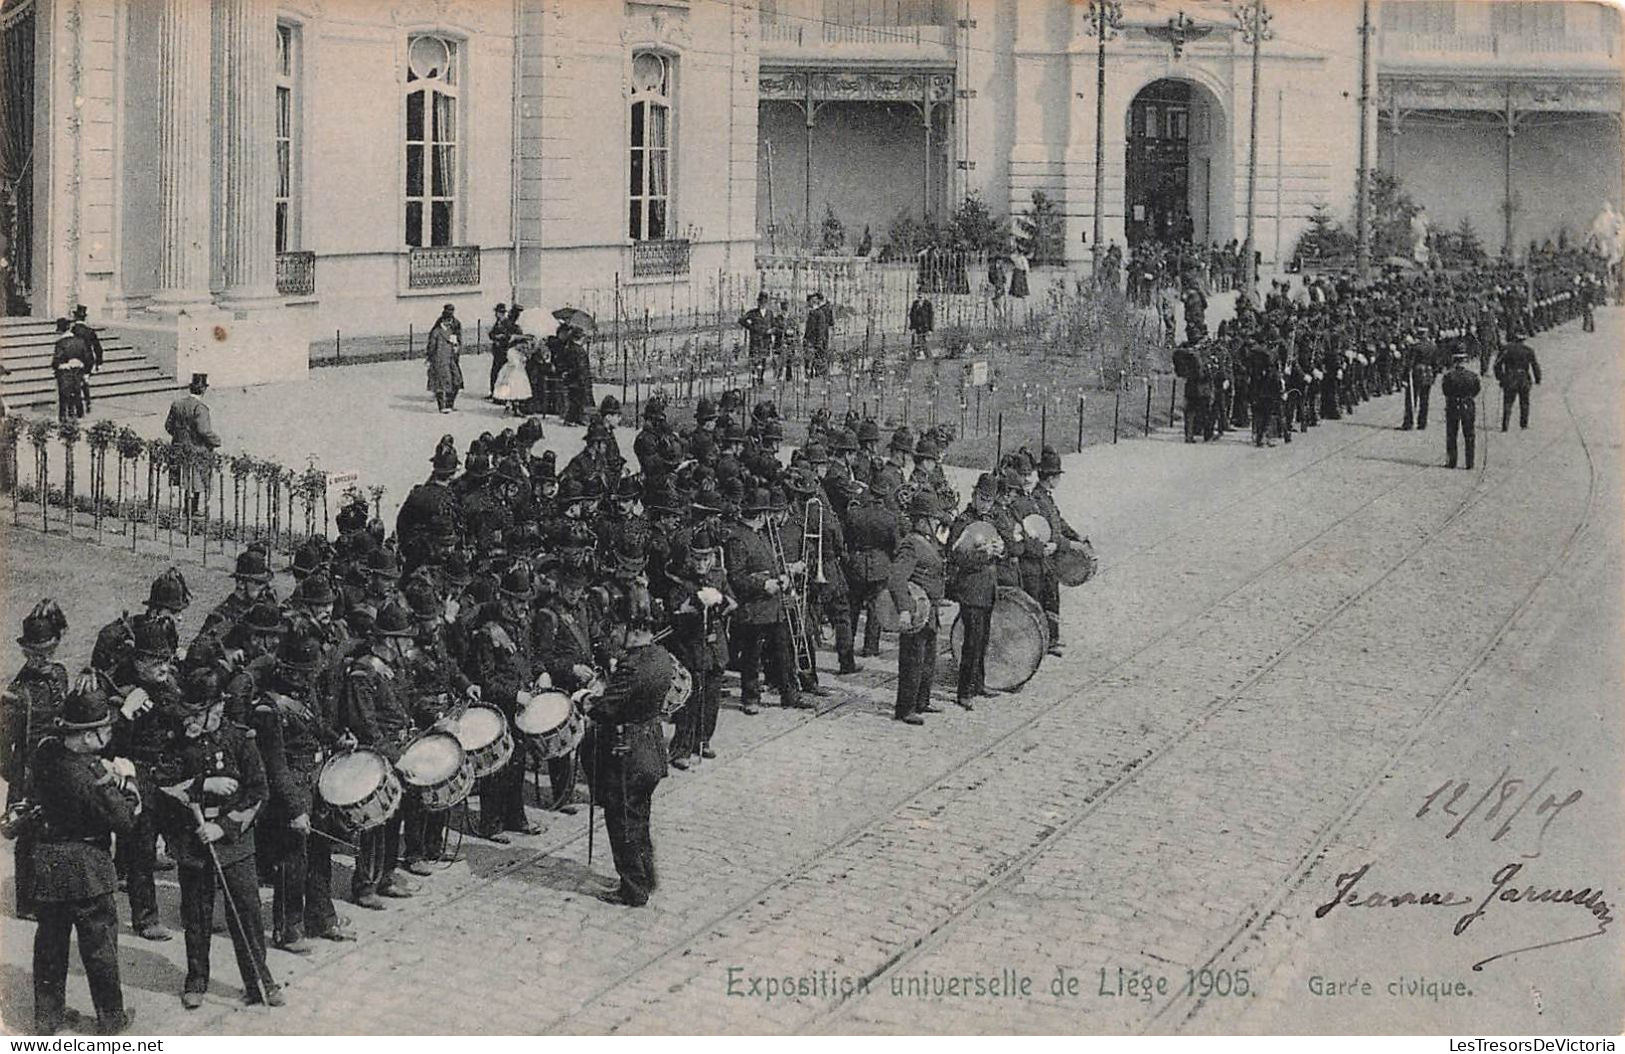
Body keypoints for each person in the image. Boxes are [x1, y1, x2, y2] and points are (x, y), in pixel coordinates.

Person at [154, 662, 282, 1010]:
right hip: (193, 843)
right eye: (190, 713)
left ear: (219, 707)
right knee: (196, 915)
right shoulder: (176, 742)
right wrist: (201, 784)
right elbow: (161, 786)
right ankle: (196, 977)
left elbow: (258, 792)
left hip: (234, 844)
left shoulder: (240, 739)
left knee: (248, 914)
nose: (192, 721)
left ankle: (259, 980)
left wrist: (223, 826)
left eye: (201, 713)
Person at [26, 680, 140, 1036]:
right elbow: (124, 822)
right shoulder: (92, 776)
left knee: (50, 946)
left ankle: (47, 1020)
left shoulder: (46, 753)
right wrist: (129, 783)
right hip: (88, 870)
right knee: (99, 949)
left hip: (46, 864)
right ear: (89, 738)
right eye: (104, 728)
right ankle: (110, 1019)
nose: (109, 732)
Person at [580, 617, 670, 907]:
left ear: (634, 633)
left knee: (622, 820)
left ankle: (632, 888)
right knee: (640, 815)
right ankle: (646, 874)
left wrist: (586, 700)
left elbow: (608, 708)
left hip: (629, 751)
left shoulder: (631, 667)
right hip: (652, 747)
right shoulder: (660, 656)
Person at [4, 600, 71, 920]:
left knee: (55, 829)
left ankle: (49, 891)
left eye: (46, 652)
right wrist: (17, 777)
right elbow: (2, 744)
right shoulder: (17, 692)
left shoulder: (61, 674)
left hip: (57, 767)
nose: (41, 660)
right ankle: (27, 902)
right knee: (27, 836)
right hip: (29, 771)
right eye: (33, 654)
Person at [889, 492, 948, 726]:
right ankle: (905, 707)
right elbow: (896, 578)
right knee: (912, 660)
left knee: (928, 660)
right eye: (933, 519)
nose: (937, 523)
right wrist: (904, 609)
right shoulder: (911, 544)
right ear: (922, 520)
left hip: (929, 610)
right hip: (916, 610)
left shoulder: (928, 541)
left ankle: (922, 700)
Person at [947, 474, 1000, 708]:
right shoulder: (963, 521)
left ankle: (979, 683)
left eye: (989, 500)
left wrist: (1001, 549)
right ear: (974, 495)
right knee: (971, 641)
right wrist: (981, 553)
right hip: (970, 589)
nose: (985, 504)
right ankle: (964, 691)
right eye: (982, 498)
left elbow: (1002, 545)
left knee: (983, 639)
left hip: (987, 587)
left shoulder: (991, 520)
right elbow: (955, 553)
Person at [165, 373, 222, 515]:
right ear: (203, 389)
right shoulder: (200, 408)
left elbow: (168, 426)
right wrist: (216, 441)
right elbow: (203, 430)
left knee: (185, 478)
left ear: (190, 388)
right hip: (196, 448)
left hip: (179, 446)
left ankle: (187, 507)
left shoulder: (177, 404)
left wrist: (180, 436)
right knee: (196, 479)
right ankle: (193, 509)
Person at [1441, 351, 1482, 470]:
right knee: (1469, 434)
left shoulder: (1449, 376)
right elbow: (1476, 390)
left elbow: (1445, 391)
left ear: (1455, 362)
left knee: (1452, 434)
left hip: (1453, 405)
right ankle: (1470, 462)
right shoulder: (1472, 376)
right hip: (1468, 405)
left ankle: (1452, 461)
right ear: (1465, 362)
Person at [1493, 333, 1541, 432]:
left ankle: (1505, 426)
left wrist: (1501, 378)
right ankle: (1524, 424)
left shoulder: (1506, 349)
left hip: (1510, 378)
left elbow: (1497, 365)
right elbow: (1535, 365)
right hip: (1524, 378)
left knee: (1508, 402)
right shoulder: (1528, 350)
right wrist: (1538, 379)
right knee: (1524, 402)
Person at [425, 305, 464, 414]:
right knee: (441, 383)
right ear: (444, 321)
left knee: (457, 381)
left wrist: (457, 348)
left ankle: (450, 404)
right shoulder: (436, 332)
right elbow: (431, 347)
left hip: (452, 359)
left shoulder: (453, 329)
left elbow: (458, 341)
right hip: (440, 360)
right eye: (448, 321)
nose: (450, 323)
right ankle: (442, 406)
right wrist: (430, 358)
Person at [51, 318, 90, 423]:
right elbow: (87, 358)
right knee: (77, 393)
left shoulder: (60, 343)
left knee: (64, 397)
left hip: (65, 373)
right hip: (78, 372)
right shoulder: (80, 341)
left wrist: (60, 365)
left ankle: (64, 418)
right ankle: (79, 415)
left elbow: (56, 361)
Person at [71, 306, 104, 413]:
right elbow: (98, 348)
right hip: (88, 360)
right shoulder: (90, 331)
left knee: (74, 383)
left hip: (75, 358)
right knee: (85, 381)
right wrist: (99, 362)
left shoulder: (73, 330)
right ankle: (88, 403)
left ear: (75, 317)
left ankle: (76, 405)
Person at [492, 335, 533, 415]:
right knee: (511, 389)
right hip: (511, 372)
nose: (523, 347)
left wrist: (525, 357)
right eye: (521, 345)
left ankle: (516, 408)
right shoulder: (511, 351)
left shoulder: (521, 352)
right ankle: (508, 407)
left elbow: (524, 361)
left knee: (518, 390)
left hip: (519, 372)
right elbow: (513, 362)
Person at [740, 293, 773, 386]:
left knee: (763, 359)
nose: (762, 303)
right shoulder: (753, 313)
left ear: (766, 302)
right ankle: (754, 378)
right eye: (760, 301)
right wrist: (751, 328)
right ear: (758, 302)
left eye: (764, 301)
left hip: (765, 340)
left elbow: (774, 325)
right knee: (754, 359)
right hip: (755, 339)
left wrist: (771, 330)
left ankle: (761, 378)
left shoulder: (770, 313)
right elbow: (742, 320)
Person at [908, 288, 934, 359]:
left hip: (925, 327)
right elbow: (912, 316)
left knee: (925, 344)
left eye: (921, 293)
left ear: (925, 295)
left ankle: (929, 358)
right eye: (918, 293)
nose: (920, 295)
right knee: (915, 343)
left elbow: (931, 317)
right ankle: (913, 358)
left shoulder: (928, 304)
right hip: (916, 328)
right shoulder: (915, 304)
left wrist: (930, 329)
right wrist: (912, 327)